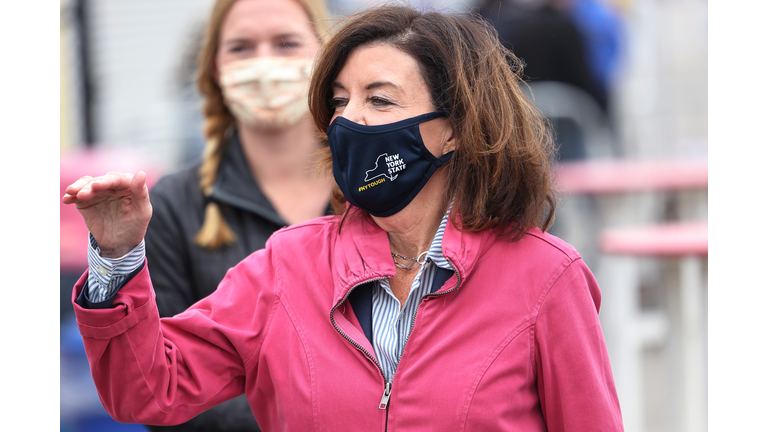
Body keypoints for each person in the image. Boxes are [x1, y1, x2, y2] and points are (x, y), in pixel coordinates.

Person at [63, 5, 624, 431]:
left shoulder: (546, 276)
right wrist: (116, 257)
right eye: (339, 101)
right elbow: (148, 390)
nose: (349, 120)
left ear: (454, 128)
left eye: (379, 101)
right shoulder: (290, 263)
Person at [142, 0, 332, 430]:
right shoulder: (172, 206)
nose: (264, 65)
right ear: (215, 68)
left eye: (286, 44)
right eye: (242, 48)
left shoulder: (373, 192)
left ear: (325, 57)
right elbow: (159, 381)